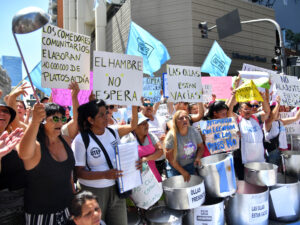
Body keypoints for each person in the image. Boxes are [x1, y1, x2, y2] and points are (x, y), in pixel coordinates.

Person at [72, 100, 138, 225]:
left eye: (106, 113)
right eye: (101, 115)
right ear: (91, 120)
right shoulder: (81, 140)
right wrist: (104, 175)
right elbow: (79, 173)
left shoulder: (113, 132)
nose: (106, 117)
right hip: (94, 193)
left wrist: (134, 164)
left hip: (117, 189)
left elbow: (121, 157)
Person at [18, 102, 75, 225]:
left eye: (62, 118)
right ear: (42, 121)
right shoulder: (36, 146)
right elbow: (23, 154)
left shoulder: (66, 140)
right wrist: (34, 122)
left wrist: (74, 197)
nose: (60, 122)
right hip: (41, 214)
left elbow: (68, 175)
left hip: (66, 208)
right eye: (55, 118)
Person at [0, 103, 24, 225]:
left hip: (23, 202)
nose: (3, 113)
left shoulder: (13, 139)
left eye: (6, 111)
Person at [121, 113, 163, 182]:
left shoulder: (150, 135)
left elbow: (160, 151)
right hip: (136, 178)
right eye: (143, 123)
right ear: (134, 127)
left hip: (153, 175)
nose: (146, 125)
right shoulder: (128, 139)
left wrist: (146, 159)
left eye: (146, 122)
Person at [164, 110, 205, 182]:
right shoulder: (171, 135)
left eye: (186, 117)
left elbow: (201, 147)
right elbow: (170, 158)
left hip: (190, 165)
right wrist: (183, 171)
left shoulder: (194, 131)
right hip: (175, 168)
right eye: (181, 118)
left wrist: (198, 157)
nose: (185, 119)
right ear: (175, 121)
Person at [264, 96, 300, 166]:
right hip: (272, 152)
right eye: (276, 111)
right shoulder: (267, 123)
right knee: (272, 173)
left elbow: (296, 117)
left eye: (278, 111)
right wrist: (278, 104)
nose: (278, 113)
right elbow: (273, 117)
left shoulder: (280, 122)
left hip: (282, 151)